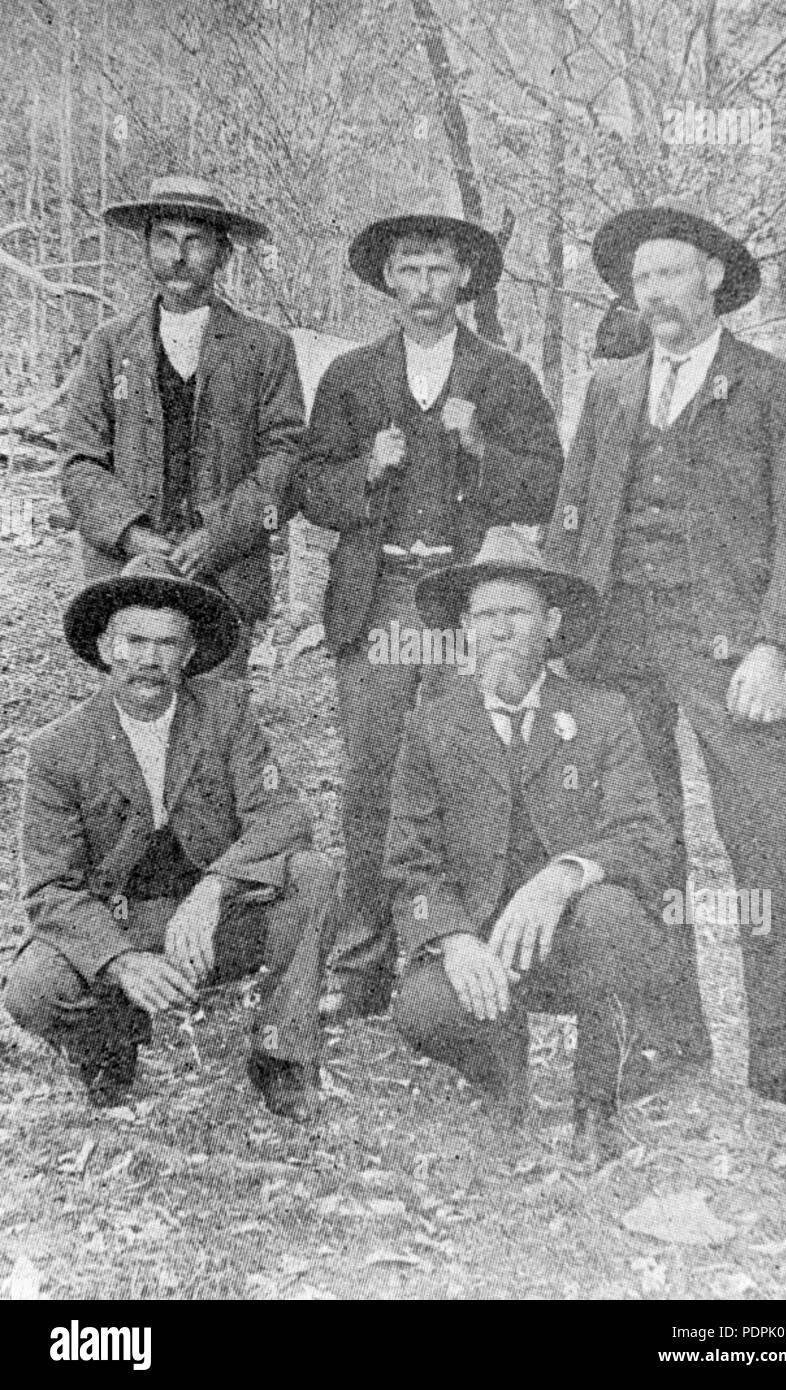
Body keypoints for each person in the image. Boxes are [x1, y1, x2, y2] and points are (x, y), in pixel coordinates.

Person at [544, 200, 786, 1109]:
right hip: (616, 644)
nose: (654, 294)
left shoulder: (772, 384)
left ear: (712, 278)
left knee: (761, 841)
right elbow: (571, 513)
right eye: (640, 281)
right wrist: (560, 624)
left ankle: (784, 1055)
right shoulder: (612, 385)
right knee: (642, 842)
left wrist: (773, 647)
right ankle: (669, 1039)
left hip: (723, 650)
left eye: (669, 274)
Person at [302, 212, 564, 1021]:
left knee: (470, 767)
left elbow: (543, 485)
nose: (423, 287)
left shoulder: (504, 375)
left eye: (438, 270)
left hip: (466, 601)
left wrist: (480, 443)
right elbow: (311, 488)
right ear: (387, 281)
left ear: (465, 280)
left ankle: (468, 946)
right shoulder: (350, 375)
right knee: (372, 775)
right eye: (408, 271)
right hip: (383, 597)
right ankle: (361, 959)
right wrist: (364, 471)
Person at [384, 526, 677, 1170]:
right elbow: (408, 859)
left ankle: (595, 1106)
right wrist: (456, 940)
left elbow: (644, 835)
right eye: (484, 616)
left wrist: (563, 876)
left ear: (550, 622)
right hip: (483, 944)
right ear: (466, 629)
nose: (499, 630)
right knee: (421, 1005)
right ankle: (505, 1089)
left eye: (515, 613)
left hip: (573, 938)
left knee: (613, 918)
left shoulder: (603, 712)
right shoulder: (433, 723)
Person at [2, 554, 336, 1117]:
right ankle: (110, 1044)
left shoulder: (226, 711)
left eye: (166, 644)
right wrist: (120, 961)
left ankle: (282, 1051)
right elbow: (50, 891)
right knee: (32, 985)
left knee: (313, 874)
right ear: (107, 648)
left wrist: (212, 891)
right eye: (133, 641)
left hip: (215, 919)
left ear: (187, 654)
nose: (148, 661)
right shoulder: (58, 747)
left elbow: (282, 818)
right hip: (123, 919)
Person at [60, 175, 306, 679]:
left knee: (217, 717)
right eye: (164, 239)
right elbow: (80, 460)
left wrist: (222, 533)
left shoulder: (265, 347)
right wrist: (132, 535)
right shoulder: (109, 345)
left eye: (194, 241)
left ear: (223, 255)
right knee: (136, 709)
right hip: (128, 572)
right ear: (146, 249)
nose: (178, 256)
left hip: (225, 572)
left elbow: (286, 457)